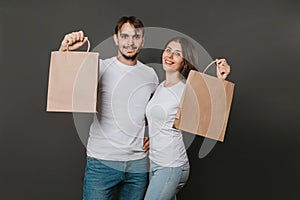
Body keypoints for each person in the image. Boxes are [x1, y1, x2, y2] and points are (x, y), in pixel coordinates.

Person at [58, 16, 159, 200]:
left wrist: (155, 136)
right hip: (102, 162)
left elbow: (159, 111)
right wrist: (65, 51)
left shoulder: (150, 75)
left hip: (138, 165)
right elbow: (66, 84)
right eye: (125, 36)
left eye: (136, 37)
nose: (130, 42)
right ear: (116, 39)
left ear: (142, 40)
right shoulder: (100, 67)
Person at [144, 37, 230, 200]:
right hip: (155, 162)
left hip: (171, 166)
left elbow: (213, 117)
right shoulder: (160, 87)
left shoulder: (187, 90)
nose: (169, 55)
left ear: (185, 61)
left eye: (177, 53)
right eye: (168, 50)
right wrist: (153, 137)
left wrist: (220, 80)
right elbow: (163, 120)